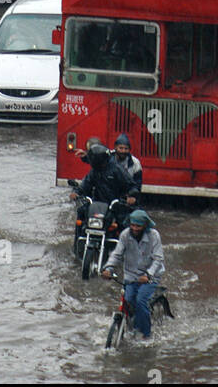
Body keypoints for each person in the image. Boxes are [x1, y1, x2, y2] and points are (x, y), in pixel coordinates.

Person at [101, 209, 166, 340]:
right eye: (132, 225)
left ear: (145, 226)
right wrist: (108, 268)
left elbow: (158, 259)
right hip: (131, 276)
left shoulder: (154, 236)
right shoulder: (125, 235)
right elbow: (117, 254)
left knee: (141, 300)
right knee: (129, 299)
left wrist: (148, 275)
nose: (135, 228)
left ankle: (146, 334)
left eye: (138, 226)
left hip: (150, 276)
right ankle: (133, 324)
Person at [70, 144, 136, 251]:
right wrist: (77, 192)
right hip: (96, 204)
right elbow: (86, 184)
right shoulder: (94, 170)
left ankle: (125, 251)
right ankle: (78, 246)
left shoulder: (116, 169)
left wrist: (131, 196)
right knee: (81, 214)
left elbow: (131, 185)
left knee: (124, 222)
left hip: (114, 204)